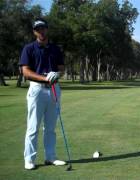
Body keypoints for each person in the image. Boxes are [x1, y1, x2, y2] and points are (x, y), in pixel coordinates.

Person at [19, 18, 66, 170]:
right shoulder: (29, 48)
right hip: (37, 89)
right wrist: (45, 78)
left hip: (53, 89)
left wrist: (57, 74)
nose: (41, 31)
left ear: (47, 29)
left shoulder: (55, 48)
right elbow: (25, 71)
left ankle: (50, 157)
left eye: (43, 28)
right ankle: (29, 159)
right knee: (33, 127)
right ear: (34, 32)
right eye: (38, 29)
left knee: (50, 128)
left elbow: (61, 69)